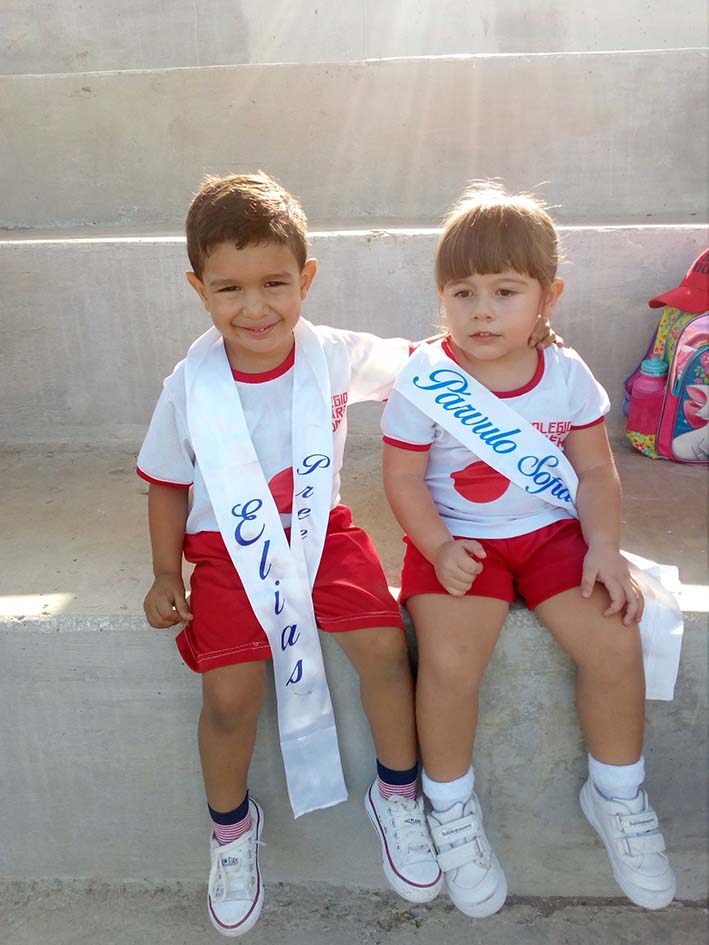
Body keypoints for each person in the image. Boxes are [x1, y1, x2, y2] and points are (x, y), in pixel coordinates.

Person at [137, 171, 451, 936]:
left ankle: (397, 793)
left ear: (306, 278)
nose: (255, 307)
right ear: (197, 288)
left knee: (382, 645)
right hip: (224, 552)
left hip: (321, 532)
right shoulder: (190, 384)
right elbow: (166, 484)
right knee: (230, 696)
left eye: (275, 282)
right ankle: (231, 831)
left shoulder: (334, 353)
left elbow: (427, 365)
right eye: (229, 288)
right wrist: (162, 571)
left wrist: (502, 337)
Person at [380, 182, 677, 917]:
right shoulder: (425, 382)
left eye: (505, 290)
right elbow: (403, 477)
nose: (481, 309)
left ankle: (615, 795)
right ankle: (448, 809)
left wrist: (603, 546)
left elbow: (596, 470)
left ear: (548, 296)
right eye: (462, 290)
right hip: (456, 541)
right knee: (448, 661)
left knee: (613, 641)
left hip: (548, 534)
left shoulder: (566, 375)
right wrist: (437, 543)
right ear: (440, 296)